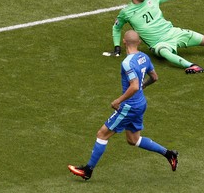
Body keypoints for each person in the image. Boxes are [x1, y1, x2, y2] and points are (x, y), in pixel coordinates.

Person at [68, 30, 179, 181]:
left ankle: (88, 170)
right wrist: (143, 86)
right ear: (139, 42)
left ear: (124, 42)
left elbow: (133, 86)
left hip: (129, 106)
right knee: (133, 140)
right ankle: (169, 154)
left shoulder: (127, 63)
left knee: (102, 134)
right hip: (141, 104)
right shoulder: (144, 57)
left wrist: (118, 101)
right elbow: (154, 77)